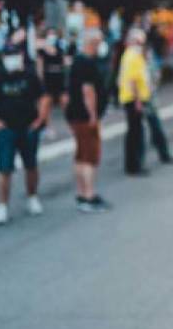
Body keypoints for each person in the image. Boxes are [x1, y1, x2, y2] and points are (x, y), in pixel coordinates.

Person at [0, 47, 50, 224]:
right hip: (6, 129)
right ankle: (2, 206)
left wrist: (40, 120)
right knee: (4, 169)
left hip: (28, 127)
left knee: (31, 164)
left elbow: (43, 97)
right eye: (9, 56)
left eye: (15, 55)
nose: (12, 59)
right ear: (3, 58)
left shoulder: (29, 76)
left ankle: (32, 197)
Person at [65, 30, 110, 212]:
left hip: (76, 114)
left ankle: (82, 193)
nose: (100, 46)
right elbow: (88, 91)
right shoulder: (87, 63)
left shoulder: (78, 61)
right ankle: (88, 196)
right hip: (84, 117)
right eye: (98, 42)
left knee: (80, 154)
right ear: (92, 43)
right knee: (89, 156)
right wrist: (92, 115)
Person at [117, 29, 152, 175]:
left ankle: (133, 164)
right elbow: (133, 80)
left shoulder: (128, 54)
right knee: (135, 134)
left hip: (130, 98)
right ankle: (134, 166)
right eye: (139, 42)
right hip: (133, 99)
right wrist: (137, 100)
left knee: (134, 132)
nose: (141, 45)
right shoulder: (133, 56)